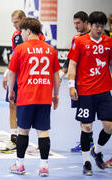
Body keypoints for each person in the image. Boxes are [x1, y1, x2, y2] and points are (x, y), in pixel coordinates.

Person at [8, 18, 60, 177]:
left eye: (22, 31)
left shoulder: (21, 49)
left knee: (23, 132)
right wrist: (56, 95)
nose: (20, 34)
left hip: (26, 98)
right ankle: (44, 167)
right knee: (43, 134)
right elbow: (56, 76)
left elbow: (11, 73)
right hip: (44, 98)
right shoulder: (51, 50)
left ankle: (20, 165)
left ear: (28, 31)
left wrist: (11, 91)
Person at [67, 11, 112, 176]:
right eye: (97, 26)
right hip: (85, 91)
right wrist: (72, 85)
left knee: (109, 126)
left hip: (104, 90)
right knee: (86, 127)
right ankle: (86, 161)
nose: (100, 29)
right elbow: (72, 65)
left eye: (102, 26)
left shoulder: (109, 42)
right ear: (90, 26)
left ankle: (97, 151)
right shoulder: (80, 41)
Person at [59, 11, 94, 153]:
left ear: (86, 22)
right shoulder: (76, 38)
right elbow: (71, 58)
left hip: (92, 81)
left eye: (78, 23)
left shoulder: (96, 37)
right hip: (79, 81)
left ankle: (89, 140)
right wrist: (62, 73)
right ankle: (87, 140)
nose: (76, 26)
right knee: (82, 113)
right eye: (74, 23)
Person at [1, 10, 26, 153]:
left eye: (16, 22)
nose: (14, 26)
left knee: (25, 107)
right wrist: (7, 73)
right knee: (12, 105)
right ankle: (14, 139)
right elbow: (14, 57)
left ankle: (24, 137)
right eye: (13, 23)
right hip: (15, 75)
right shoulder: (15, 35)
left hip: (27, 76)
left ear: (23, 19)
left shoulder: (35, 33)